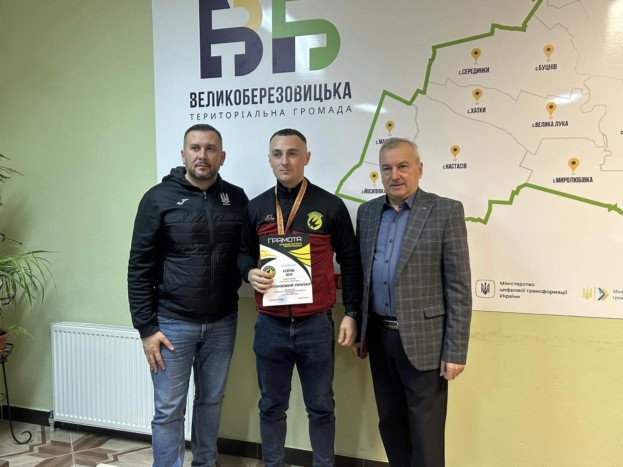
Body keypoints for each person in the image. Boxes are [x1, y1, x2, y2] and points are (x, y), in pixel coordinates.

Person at [238, 128, 362, 467]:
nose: (285, 160)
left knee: (321, 407)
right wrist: (248, 272)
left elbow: (351, 262)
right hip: (270, 326)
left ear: (306, 158)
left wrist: (352, 311)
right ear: (269, 159)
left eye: (293, 153)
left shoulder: (330, 205)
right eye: (278, 154)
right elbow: (242, 253)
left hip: (316, 326)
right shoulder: (256, 207)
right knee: (271, 407)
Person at [128, 124, 248, 467]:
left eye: (210, 149)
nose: (202, 155)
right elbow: (139, 267)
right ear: (183, 154)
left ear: (222, 156)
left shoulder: (237, 199)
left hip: (223, 321)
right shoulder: (157, 199)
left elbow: (245, 253)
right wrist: (146, 328)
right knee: (169, 410)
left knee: (211, 401)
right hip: (171, 324)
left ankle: (205, 463)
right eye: (195, 148)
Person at [354, 137, 472, 467]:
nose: (394, 175)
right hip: (379, 336)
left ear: (419, 169)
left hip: (426, 342)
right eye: (386, 168)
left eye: (402, 166)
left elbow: (459, 287)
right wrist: (360, 328)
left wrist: (455, 350)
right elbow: (362, 277)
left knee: (426, 431)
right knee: (391, 423)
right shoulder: (367, 213)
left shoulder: (445, 211)